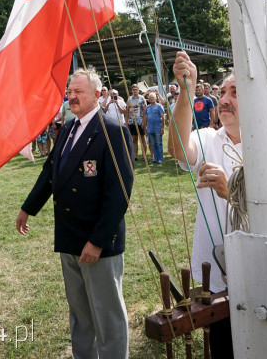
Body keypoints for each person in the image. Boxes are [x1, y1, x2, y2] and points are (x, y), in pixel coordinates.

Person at [168, 51, 267, 359]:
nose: (224, 98)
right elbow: (177, 147)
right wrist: (186, 93)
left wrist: (231, 193)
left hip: (264, 270)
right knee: (225, 346)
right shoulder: (209, 139)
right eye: (223, 91)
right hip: (217, 274)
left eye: (235, 92)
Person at [16, 67, 134, 359]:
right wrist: (28, 208)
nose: (71, 97)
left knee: (107, 315)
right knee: (80, 313)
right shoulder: (68, 129)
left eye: (78, 91)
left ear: (97, 94)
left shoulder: (113, 131)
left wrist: (98, 241)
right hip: (69, 236)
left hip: (97, 242)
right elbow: (51, 173)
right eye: (69, 92)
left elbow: (119, 194)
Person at [143, 93, 165, 165]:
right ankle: (156, 158)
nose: (151, 99)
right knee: (153, 144)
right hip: (150, 129)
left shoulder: (159, 106)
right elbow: (146, 118)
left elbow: (163, 118)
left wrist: (162, 128)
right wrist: (145, 128)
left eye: (152, 97)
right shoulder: (148, 107)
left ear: (156, 98)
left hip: (157, 128)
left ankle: (160, 159)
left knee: (159, 144)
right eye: (150, 98)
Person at [126, 84, 147, 160]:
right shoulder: (129, 99)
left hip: (140, 121)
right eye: (134, 89)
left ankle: (144, 155)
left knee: (142, 138)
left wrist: (144, 121)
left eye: (136, 89)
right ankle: (135, 155)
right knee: (134, 138)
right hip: (132, 121)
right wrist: (127, 121)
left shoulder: (142, 98)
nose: (135, 91)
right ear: (132, 90)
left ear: (139, 90)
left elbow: (145, 111)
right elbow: (127, 110)